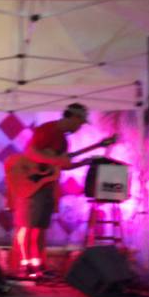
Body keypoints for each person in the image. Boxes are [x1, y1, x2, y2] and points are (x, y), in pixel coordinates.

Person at [8, 102, 89, 277]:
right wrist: (55, 161)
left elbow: (59, 165)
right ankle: (23, 265)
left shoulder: (64, 141)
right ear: (73, 117)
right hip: (31, 183)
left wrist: (83, 163)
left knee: (39, 227)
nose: (80, 127)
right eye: (80, 123)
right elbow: (31, 153)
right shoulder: (48, 129)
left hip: (46, 185)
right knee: (27, 226)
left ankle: (37, 265)